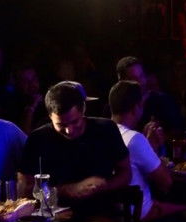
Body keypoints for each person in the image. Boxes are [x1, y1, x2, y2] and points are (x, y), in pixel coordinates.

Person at [20, 81, 131, 212]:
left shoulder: (106, 129)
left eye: (75, 121)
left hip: (100, 211)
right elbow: (25, 189)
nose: (69, 130)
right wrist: (67, 190)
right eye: (61, 125)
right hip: (54, 213)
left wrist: (102, 186)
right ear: (50, 116)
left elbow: (126, 173)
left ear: (83, 109)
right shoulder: (38, 139)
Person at [110, 80, 185, 221]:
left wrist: (150, 147)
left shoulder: (103, 133)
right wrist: (150, 147)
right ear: (135, 108)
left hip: (114, 213)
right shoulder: (134, 138)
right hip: (139, 214)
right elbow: (166, 182)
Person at [115, 56, 184, 148]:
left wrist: (159, 136)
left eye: (141, 76)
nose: (139, 82)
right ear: (121, 82)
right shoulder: (115, 107)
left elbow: (178, 135)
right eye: (133, 79)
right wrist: (143, 137)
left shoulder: (163, 101)